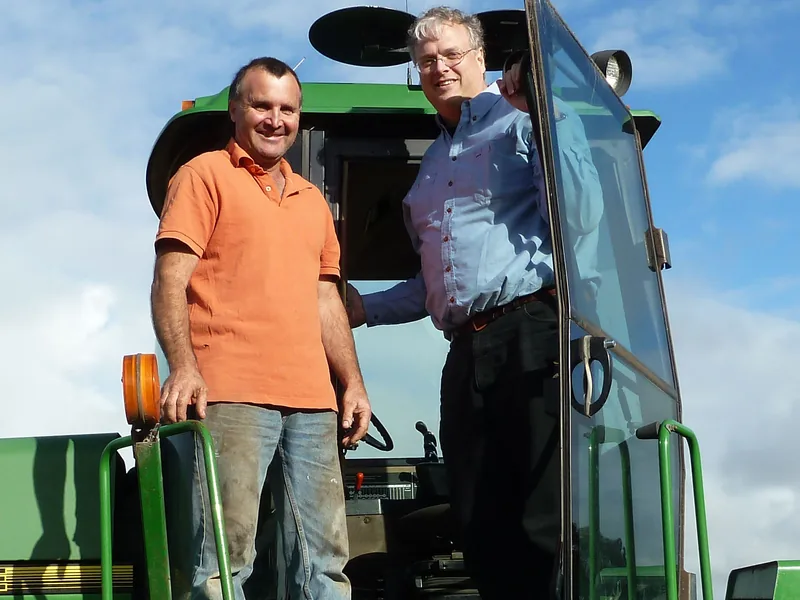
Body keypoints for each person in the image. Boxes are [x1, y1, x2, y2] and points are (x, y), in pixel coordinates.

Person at [345, 7, 602, 599]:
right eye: (427, 60)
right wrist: (362, 308)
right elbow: (432, 287)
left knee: (544, 516)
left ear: (481, 60)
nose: (440, 67)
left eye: (453, 55)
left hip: (533, 335)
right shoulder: (429, 170)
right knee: (480, 519)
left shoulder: (525, 124)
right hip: (465, 354)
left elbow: (581, 220)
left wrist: (545, 110)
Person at [150, 56, 371, 599]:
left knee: (326, 566)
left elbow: (327, 300)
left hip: (313, 404)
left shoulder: (312, 201)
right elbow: (169, 280)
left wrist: (352, 384)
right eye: (262, 105)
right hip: (230, 395)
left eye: (287, 109)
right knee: (226, 562)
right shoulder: (203, 175)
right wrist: (183, 367)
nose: (276, 119)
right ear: (235, 110)